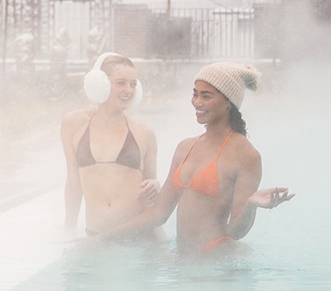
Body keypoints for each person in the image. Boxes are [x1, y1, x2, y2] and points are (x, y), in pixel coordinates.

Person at [99, 61, 293, 255]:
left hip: (216, 260)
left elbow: (236, 231)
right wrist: (101, 238)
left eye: (206, 96)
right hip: (183, 256)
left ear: (228, 102)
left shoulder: (245, 155)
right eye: (195, 94)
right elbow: (158, 214)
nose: (197, 102)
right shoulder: (186, 147)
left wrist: (251, 206)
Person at [61, 53, 162, 237]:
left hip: (137, 239)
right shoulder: (74, 124)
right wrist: (69, 230)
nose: (128, 90)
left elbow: (152, 200)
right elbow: (73, 184)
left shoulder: (144, 133)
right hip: (95, 237)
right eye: (121, 83)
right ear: (101, 84)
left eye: (133, 84)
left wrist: (156, 185)